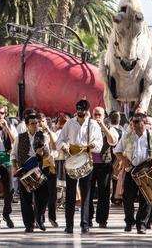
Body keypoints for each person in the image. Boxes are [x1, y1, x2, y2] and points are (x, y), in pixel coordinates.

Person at [113, 113, 152, 235]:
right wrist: (124, 160)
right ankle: (129, 221)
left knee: (146, 199)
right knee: (127, 198)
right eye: (133, 122)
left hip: (147, 171)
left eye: (137, 122)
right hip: (131, 169)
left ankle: (141, 224)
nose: (134, 124)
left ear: (144, 123)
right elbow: (117, 151)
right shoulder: (127, 136)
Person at [56, 100, 103, 234]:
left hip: (86, 160)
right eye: (78, 109)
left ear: (88, 109)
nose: (80, 111)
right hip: (71, 159)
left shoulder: (93, 124)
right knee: (70, 195)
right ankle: (69, 225)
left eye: (82, 109)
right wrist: (64, 146)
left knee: (86, 194)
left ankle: (85, 224)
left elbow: (99, 145)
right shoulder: (70, 123)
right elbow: (60, 140)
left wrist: (93, 146)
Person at [11, 114, 50, 233]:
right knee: (25, 199)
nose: (35, 125)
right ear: (27, 125)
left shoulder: (42, 136)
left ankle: (39, 218)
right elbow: (13, 154)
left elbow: (48, 154)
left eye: (37, 123)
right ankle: (29, 224)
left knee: (43, 196)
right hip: (24, 169)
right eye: (33, 123)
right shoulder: (20, 137)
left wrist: (43, 152)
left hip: (39, 168)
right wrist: (14, 167)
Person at [88, 106, 118, 228]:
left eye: (99, 114)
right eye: (95, 114)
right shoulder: (87, 127)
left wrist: (103, 127)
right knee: (88, 192)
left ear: (104, 116)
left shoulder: (110, 128)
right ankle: (88, 217)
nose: (97, 117)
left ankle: (102, 219)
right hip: (89, 163)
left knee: (104, 193)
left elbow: (113, 141)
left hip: (104, 164)